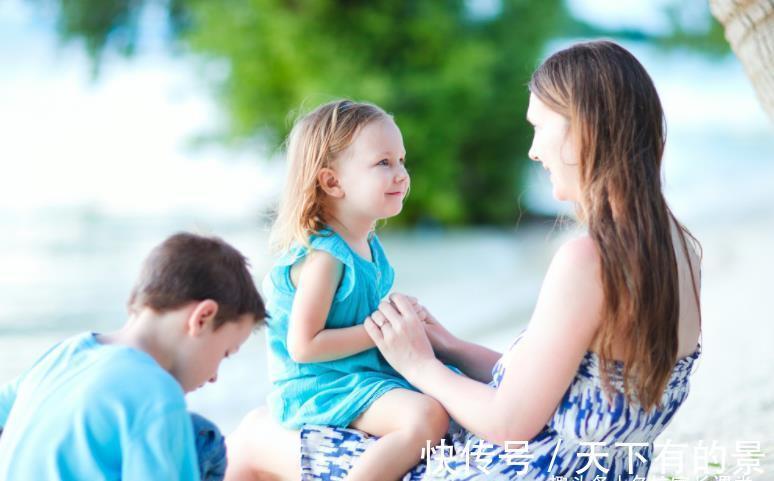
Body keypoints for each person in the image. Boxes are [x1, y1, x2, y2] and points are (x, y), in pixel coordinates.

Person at [225, 40, 703, 481]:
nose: (534, 152)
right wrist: (446, 346)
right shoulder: (679, 250)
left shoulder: (589, 260)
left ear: (584, 132)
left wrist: (419, 366)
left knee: (253, 434)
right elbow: (570, 385)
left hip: (520, 469)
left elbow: (510, 423)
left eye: (539, 129)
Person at [251, 100, 450, 481]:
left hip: (354, 373)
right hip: (317, 386)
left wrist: (404, 320)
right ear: (332, 182)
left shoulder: (368, 244)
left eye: (402, 161)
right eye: (384, 163)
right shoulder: (325, 258)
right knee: (427, 416)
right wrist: (384, 330)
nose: (402, 175)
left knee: (449, 386)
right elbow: (304, 346)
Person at [0, 232, 267, 481]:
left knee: (195, 432)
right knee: (204, 442)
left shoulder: (67, 352)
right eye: (225, 353)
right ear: (203, 317)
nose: (214, 376)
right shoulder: (156, 393)